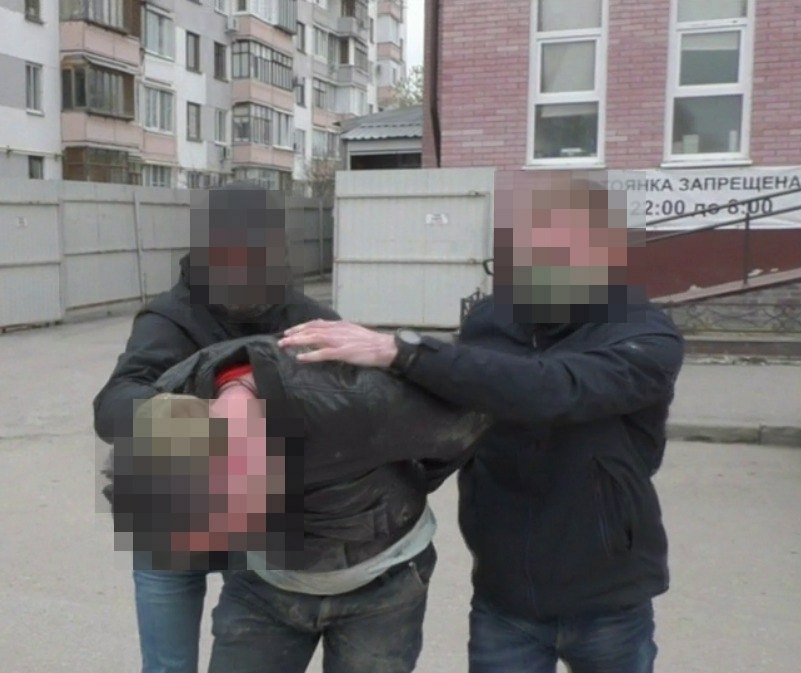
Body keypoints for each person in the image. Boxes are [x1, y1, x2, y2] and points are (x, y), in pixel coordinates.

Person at [278, 171, 685, 673]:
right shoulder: (491, 320)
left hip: (608, 598)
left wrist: (402, 352)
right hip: (503, 595)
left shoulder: (643, 334)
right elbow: (457, 413)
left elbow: (554, 388)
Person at [112, 333, 487, 673]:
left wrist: (409, 485)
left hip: (382, 584)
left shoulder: (356, 399)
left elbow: (467, 422)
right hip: (263, 585)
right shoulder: (180, 392)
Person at [94, 184, 338, 673]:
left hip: (259, 514)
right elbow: (111, 407)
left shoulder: (306, 318)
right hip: (168, 513)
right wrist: (208, 417)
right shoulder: (168, 317)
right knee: (168, 665)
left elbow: (350, 405)